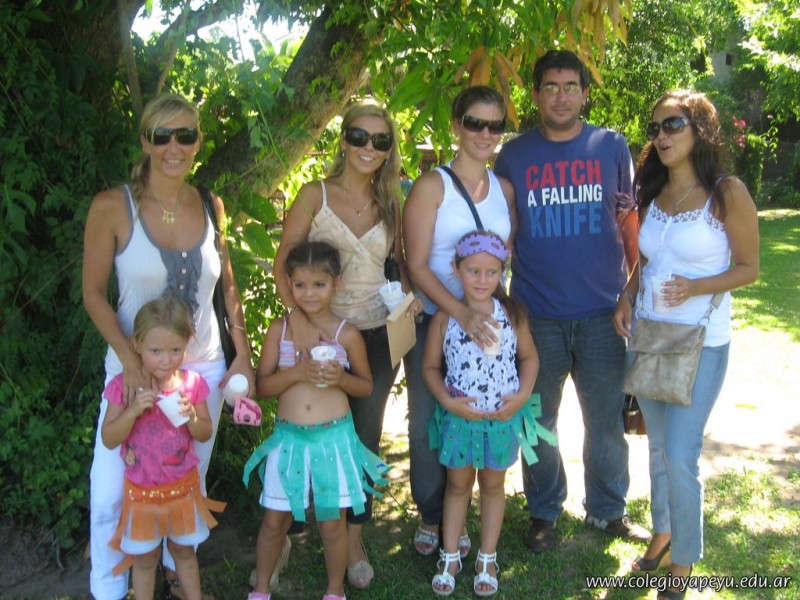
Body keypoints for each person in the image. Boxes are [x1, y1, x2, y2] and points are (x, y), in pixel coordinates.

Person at [82, 94, 255, 600]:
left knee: (185, 480)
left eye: (185, 135)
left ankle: (176, 572)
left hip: (201, 368)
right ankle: (110, 589)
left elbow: (227, 287)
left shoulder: (210, 205)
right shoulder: (112, 207)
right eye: (162, 135)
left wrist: (242, 354)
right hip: (133, 367)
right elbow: (92, 294)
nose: (174, 146)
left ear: (198, 142)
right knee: (111, 490)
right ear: (145, 141)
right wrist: (130, 360)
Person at [493, 49, 651, 553]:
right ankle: (544, 510)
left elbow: (629, 223)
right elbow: (504, 232)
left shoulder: (611, 146)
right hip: (536, 314)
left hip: (604, 313)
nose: (561, 97)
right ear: (536, 94)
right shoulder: (513, 156)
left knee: (605, 422)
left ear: (584, 93)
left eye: (570, 87)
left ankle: (607, 510)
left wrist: (633, 290)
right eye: (551, 87)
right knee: (536, 421)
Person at [613, 90, 759, 599]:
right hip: (651, 337)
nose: (661, 135)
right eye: (655, 128)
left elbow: (750, 268)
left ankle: (685, 560)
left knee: (679, 453)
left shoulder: (727, 192)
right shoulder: (653, 192)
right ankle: (663, 531)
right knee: (657, 447)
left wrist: (697, 287)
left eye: (673, 124)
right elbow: (648, 260)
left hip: (702, 342)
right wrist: (627, 294)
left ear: (700, 129)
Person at [272, 100, 420, 588]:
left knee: (363, 438)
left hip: (375, 336)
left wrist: (408, 302)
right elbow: (284, 262)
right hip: (317, 335)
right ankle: (285, 530)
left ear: (389, 148)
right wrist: (299, 322)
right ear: (343, 139)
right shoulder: (313, 195)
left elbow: (396, 264)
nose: (368, 147)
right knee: (301, 432)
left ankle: (354, 540)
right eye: (359, 136)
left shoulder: (391, 202)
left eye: (380, 140)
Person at [243, 241, 391, 600]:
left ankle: (334, 590)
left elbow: (366, 385)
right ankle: (261, 589)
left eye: (319, 284)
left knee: (331, 524)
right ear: (289, 284)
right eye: (300, 285)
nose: (309, 293)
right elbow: (262, 386)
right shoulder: (279, 330)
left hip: (333, 442)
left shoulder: (347, 334)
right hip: (288, 441)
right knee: (274, 521)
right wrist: (296, 373)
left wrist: (340, 378)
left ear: (336, 283)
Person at [404, 85, 515, 558]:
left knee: (479, 412)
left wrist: (487, 315)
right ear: (456, 126)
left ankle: (466, 510)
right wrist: (460, 313)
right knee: (430, 421)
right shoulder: (433, 187)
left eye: (495, 125)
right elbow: (416, 264)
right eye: (475, 123)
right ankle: (433, 513)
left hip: (485, 327)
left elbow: (505, 259)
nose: (485, 134)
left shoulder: (504, 190)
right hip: (436, 322)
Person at [423, 231, 553, 597]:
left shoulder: (512, 315)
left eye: (491, 272)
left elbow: (529, 357)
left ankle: (487, 557)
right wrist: (446, 401)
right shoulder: (445, 319)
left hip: (501, 420)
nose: (482, 280)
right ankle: (450, 556)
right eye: (473, 271)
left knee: (493, 487)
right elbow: (430, 367)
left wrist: (522, 395)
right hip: (460, 421)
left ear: (502, 272)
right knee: (457, 486)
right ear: (456, 269)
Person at [101, 298, 224, 600]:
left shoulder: (192, 385)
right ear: (137, 345)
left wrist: (192, 416)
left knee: (183, 551)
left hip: (183, 491)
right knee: (144, 559)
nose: (166, 360)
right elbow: (109, 438)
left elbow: (205, 433)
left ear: (186, 345)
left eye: (175, 350)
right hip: (142, 495)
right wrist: (132, 412)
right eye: (155, 351)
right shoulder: (124, 387)